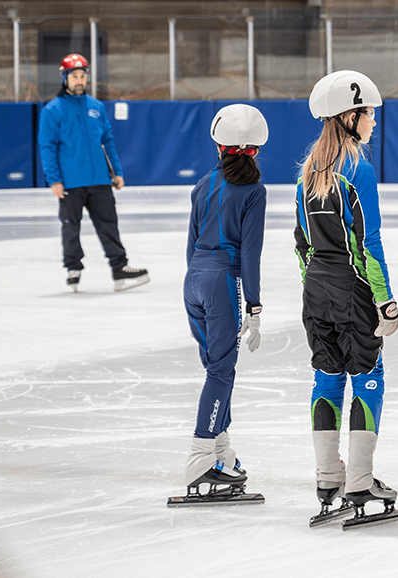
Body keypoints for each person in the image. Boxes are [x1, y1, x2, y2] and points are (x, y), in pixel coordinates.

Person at [295, 70, 398, 526]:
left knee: (327, 378)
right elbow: (370, 243)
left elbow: (301, 245)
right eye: (369, 114)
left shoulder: (307, 172)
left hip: (315, 291)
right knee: (367, 375)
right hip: (354, 288)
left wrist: (313, 285)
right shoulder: (358, 169)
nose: (374, 122)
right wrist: (386, 301)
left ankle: (327, 477)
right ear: (349, 117)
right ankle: (360, 479)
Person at [180, 104, 268, 499]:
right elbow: (250, 253)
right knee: (222, 373)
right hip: (223, 281)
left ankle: (221, 454)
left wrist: (199, 280)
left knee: (215, 370)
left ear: (219, 146)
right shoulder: (253, 191)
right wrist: (253, 304)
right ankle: (201, 456)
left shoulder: (201, 184)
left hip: (194, 279)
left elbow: (190, 243)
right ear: (255, 150)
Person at [38, 53, 148, 292]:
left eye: (82, 76)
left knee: (109, 224)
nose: (79, 80)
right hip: (70, 182)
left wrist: (116, 173)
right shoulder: (52, 110)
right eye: (74, 76)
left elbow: (107, 142)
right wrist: (54, 179)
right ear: (64, 78)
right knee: (71, 226)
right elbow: (47, 147)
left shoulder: (96, 107)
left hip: (100, 179)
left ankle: (119, 268)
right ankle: (73, 268)